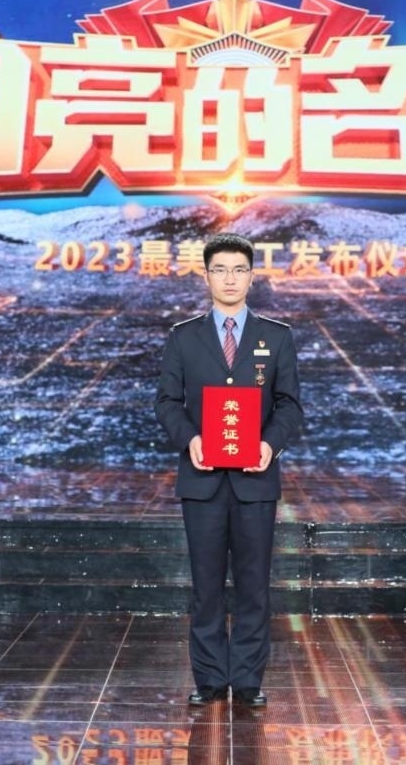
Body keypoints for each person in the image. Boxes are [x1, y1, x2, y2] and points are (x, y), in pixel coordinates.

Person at [155, 233, 302, 707]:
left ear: (252, 276)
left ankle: (249, 681)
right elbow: (167, 402)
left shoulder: (276, 336)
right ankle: (210, 679)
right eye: (220, 270)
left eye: (239, 269)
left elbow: (290, 405)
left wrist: (269, 445)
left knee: (254, 586)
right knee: (206, 586)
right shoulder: (184, 336)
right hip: (202, 480)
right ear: (207, 276)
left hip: (256, 480)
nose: (230, 278)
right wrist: (190, 439)